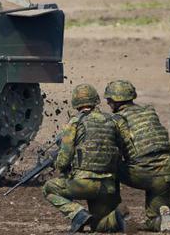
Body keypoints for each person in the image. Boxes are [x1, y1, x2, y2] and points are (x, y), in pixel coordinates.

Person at [43, 84, 128, 232]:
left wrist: (61, 168)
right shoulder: (113, 121)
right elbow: (122, 149)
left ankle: (78, 214)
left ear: (76, 103)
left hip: (84, 184)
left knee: (49, 188)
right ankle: (118, 217)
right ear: (96, 100)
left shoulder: (75, 122)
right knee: (99, 226)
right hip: (108, 187)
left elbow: (64, 159)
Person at [104, 80, 170, 232]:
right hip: (166, 173)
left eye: (109, 100)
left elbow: (109, 150)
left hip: (141, 173)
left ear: (115, 101)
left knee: (107, 166)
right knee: (153, 222)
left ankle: (116, 213)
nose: (108, 104)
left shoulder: (116, 120)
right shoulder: (149, 111)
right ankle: (160, 219)